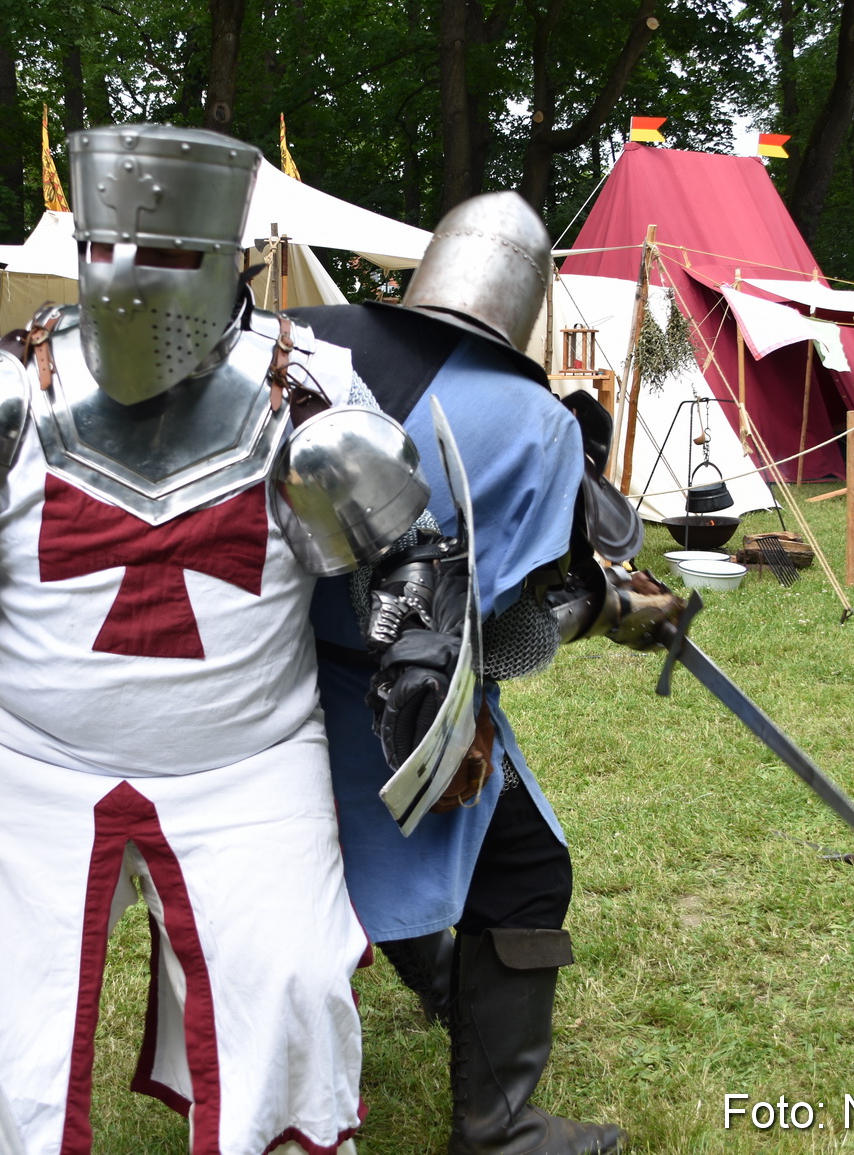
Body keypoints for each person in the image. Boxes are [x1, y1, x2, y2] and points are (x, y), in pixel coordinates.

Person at [0, 124, 430, 1155]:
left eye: (168, 255)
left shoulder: (309, 392)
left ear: (232, 260)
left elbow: (412, 559)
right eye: (103, 249)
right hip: (23, 758)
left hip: (249, 761)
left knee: (290, 981)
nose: (130, 280)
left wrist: (413, 642)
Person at [297, 192, 678, 1155]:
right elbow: (502, 634)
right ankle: (500, 1128)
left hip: (258, 690)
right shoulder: (535, 421)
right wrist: (616, 611)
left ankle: (442, 989)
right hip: (405, 706)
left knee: (362, 858)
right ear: (528, 300)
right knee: (523, 868)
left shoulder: (303, 343)